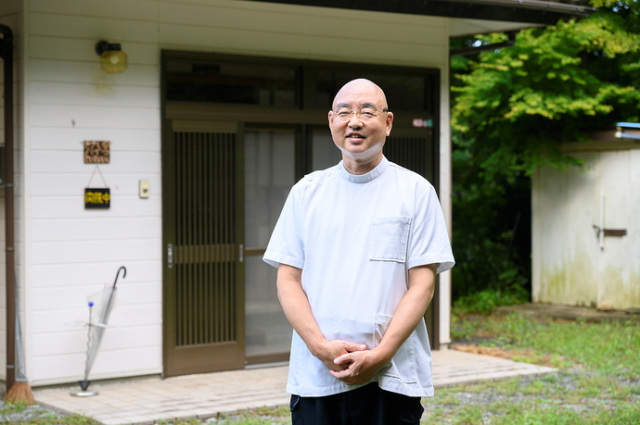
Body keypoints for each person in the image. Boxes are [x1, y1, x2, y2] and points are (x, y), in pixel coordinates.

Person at [263, 78, 455, 425]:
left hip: (391, 376)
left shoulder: (414, 191)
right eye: (344, 112)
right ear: (331, 121)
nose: (355, 121)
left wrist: (381, 355)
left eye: (367, 111)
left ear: (388, 122)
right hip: (318, 376)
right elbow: (288, 280)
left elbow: (422, 285)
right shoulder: (307, 192)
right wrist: (320, 347)